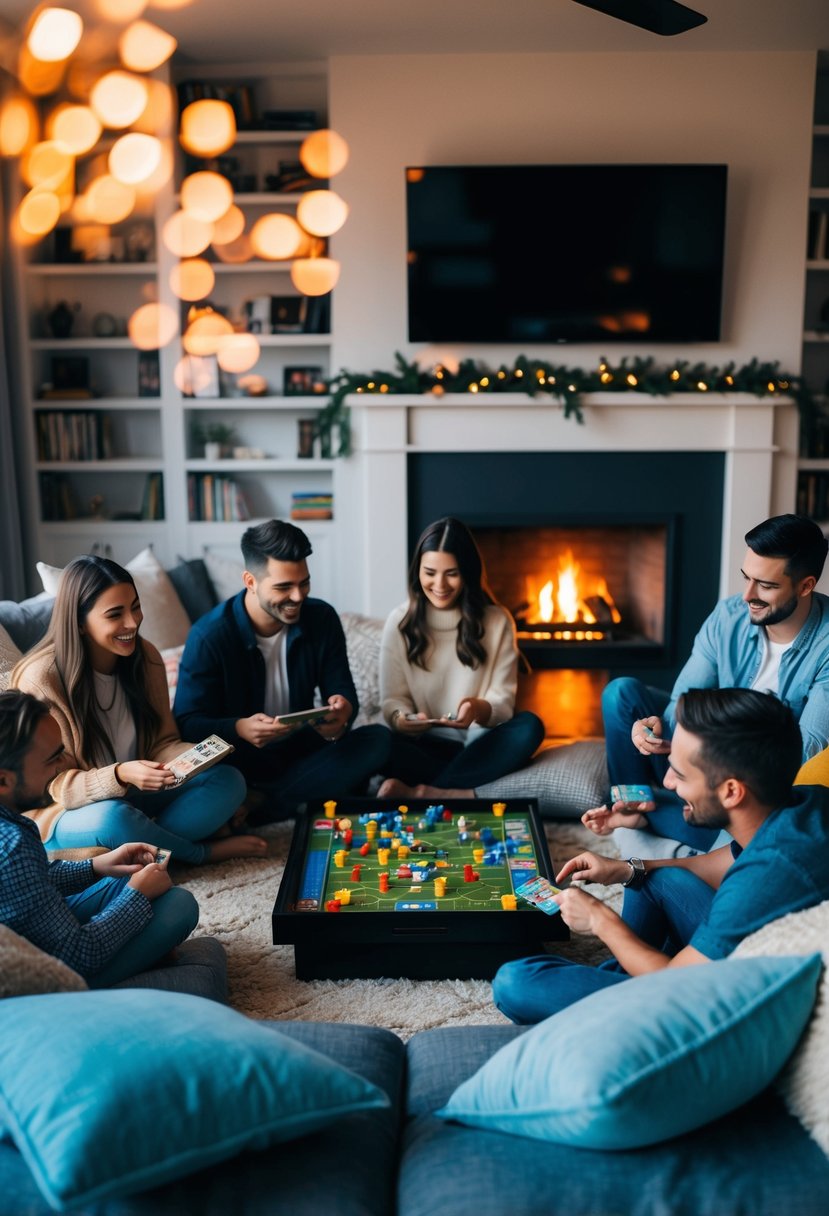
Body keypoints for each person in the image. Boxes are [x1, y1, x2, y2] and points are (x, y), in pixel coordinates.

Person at [492, 686, 829, 1025]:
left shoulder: (769, 874)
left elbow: (676, 982)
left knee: (514, 983)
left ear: (731, 791)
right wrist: (623, 869)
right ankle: (614, 983)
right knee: (651, 876)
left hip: (710, 1004)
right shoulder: (799, 803)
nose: (667, 782)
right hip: (713, 960)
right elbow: (717, 863)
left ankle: (607, 1000)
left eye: (680, 774)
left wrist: (599, 919)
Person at [584, 513, 829, 852]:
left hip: (743, 786)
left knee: (749, 835)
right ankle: (638, 803)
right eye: (747, 578)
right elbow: (682, 700)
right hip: (692, 754)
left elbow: (803, 752)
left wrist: (705, 759)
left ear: (805, 585)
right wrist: (657, 728)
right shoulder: (729, 616)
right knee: (620, 693)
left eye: (767, 586)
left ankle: (646, 819)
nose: (748, 596)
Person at [11, 555, 264, 865]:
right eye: (115, 614)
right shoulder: (42, 679)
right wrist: (119, 774)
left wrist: (194, 758)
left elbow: (162, 742)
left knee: (228, 781)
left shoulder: (145, 658)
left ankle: (144, 847)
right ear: (79, 621)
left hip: (136, 800)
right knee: (114, 820)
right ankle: (198, 853)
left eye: (135, 606)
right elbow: (53, 785)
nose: (132, 623)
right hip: (69, 811)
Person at [173, 520, 390, 819]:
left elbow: (341, 688)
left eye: (304, 583)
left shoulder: (322, 618)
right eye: (284, 587)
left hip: (300, 751)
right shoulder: (208, 636)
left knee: (377, 738)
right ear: (250, 581)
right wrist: (239, 728)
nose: (298, 597)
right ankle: (292, 799)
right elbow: (186, 723)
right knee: (219, 779)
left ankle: (262, 806)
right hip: (239, 761)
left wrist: (342, 711)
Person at [0, 689, 198, 986]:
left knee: (126, 876)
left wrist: (98, 866)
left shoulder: (10, 828)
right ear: (3, 779)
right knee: (179, 905)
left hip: (33, 934)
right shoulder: (11, 846)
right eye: (52, 759)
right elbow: (78, 955)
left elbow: (31, 883)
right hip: (56, 979)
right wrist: (137, 897)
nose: (62, 766)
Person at [376, 517, 544, 801]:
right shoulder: (399, 621)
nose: (439, 584)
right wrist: (404, 720)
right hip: (422, 748)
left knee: (529, 726)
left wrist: (477, 709)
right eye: (430, 572)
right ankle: (460, 790)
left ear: (467, 572)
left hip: (477, 746)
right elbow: (392, 701)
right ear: (417, 571)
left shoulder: (497, 621)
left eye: (451, 573)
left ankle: (426, 793)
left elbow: (502, 702)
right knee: (374, 741)